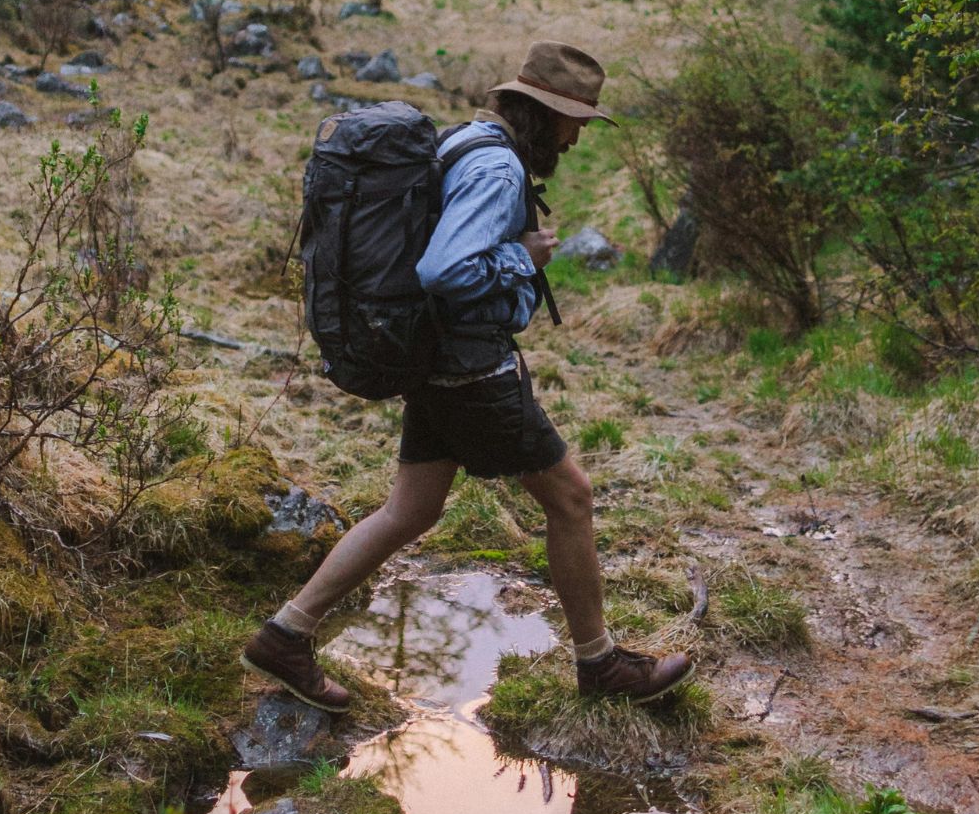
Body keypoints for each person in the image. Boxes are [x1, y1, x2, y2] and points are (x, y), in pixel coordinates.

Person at [242, 41, 695, 710]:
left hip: (435, 362)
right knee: (571, 497)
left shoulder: (470, 143)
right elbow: (443, 269)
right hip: (471, 372)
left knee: (411, 509)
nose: (575, 139)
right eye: (574, 121)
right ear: (542, 113)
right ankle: (600, 667)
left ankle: (286, 634)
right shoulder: (497, 172)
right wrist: (519, 254)